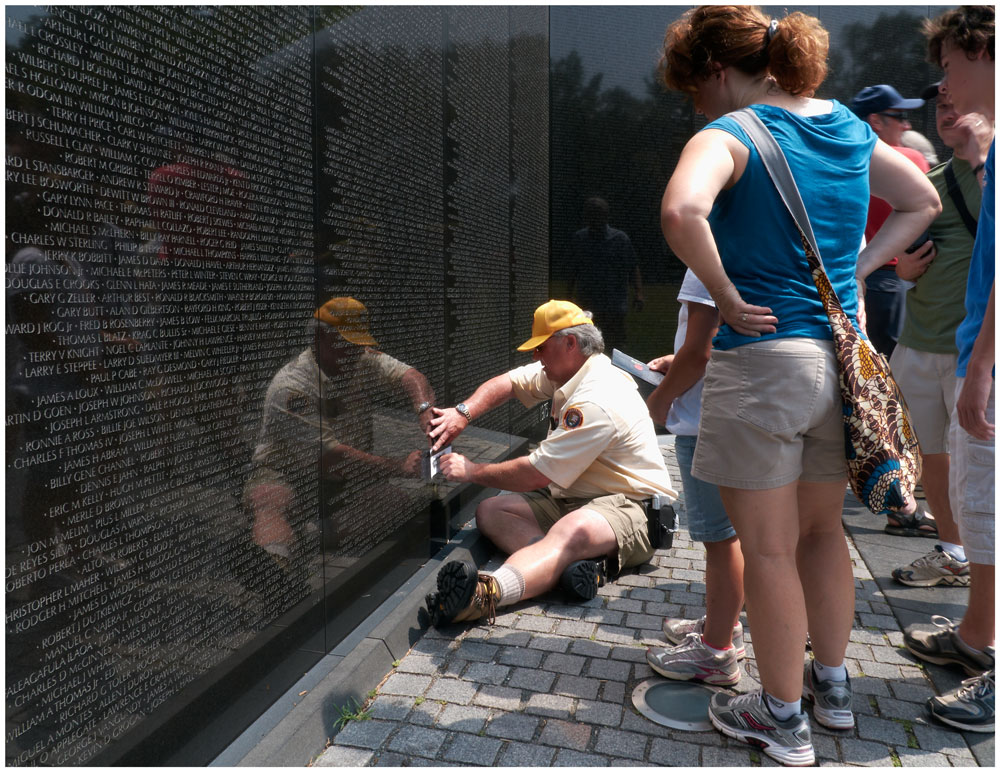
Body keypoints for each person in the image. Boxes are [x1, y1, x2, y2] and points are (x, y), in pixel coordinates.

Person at [657, 6, 940, 765]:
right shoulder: (848, 127)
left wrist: (721, 290)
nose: (698, 104)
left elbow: (683, 210)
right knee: (824, 535)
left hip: (765, 365)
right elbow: (924, 200)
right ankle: (833, 690)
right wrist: (862, 267)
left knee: (770, 550)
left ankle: (782, 718)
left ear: (718, 71)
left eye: (696, 88)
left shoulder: (731, 133)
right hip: (840, 369)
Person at [423, 300, 675, 627]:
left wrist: (471, 471)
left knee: (570, 531)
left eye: (540, 347)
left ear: (569, 343)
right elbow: (509, 383)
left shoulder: (597, 397)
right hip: (572, 496)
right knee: (491, 512)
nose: (535, 356)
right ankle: (562, 571)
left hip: (631, 507)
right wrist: (462, 413)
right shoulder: (570, 371)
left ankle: (484, 595)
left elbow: (536, 474)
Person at [902, 5, 995, 735]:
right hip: (963, 354)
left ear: (983, 49)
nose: (945, 87)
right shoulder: (954, 173)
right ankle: (975, 638)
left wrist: (983, 366)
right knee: (978, 508)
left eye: (950, 66)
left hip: (982, 365)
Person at [244, 297, 435, 571]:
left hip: (345, 480)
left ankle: (312, 534)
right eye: (346, 344)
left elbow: (411, 376)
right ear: (320, 337)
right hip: (290, 474)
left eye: (358, 344)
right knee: (270, 499)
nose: (355, 353)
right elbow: (330, 456)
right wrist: (398, 466)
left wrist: (425, 409)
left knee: (397, 502)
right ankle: (275, 567)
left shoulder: (361, 359)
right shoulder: (292, 387)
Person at [891, 85, 993, 584]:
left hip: (974, 352)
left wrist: (981, 158)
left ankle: (985, 571)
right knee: (934, 455)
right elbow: (900, 254)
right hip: (917, 342)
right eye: (940, 104)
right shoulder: (927, 182)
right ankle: (953, 553)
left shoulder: (990, 173)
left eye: (957, 100)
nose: (946, 110)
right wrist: (902, 269)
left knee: (978, 465)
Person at [644, 270, 746, 687]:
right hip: (735, 409)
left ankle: (715, 652)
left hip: (705, 420)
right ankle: (724, 626)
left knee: (719, 539)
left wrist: (660, 397)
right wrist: (679, 359)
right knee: (732, 534)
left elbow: (701, 350)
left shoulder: (710, 247)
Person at [850, 84, 931, 360]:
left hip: (855, 279)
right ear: (876, 121)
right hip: (893, 280)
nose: (907, 126)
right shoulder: (911, 157)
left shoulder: (844, 159)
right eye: (899, 117)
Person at [568, 197, 644, 350]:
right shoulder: (580, 239)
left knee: (615, 344)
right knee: (587, 344)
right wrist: (569, 297)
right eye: (592, 214)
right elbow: (572, 270)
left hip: (613, 304)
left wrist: (639, 293)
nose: (594, 218)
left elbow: (633, 266)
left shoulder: (620, 239)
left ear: (606, 216)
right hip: (588, 303)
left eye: (598, 214)